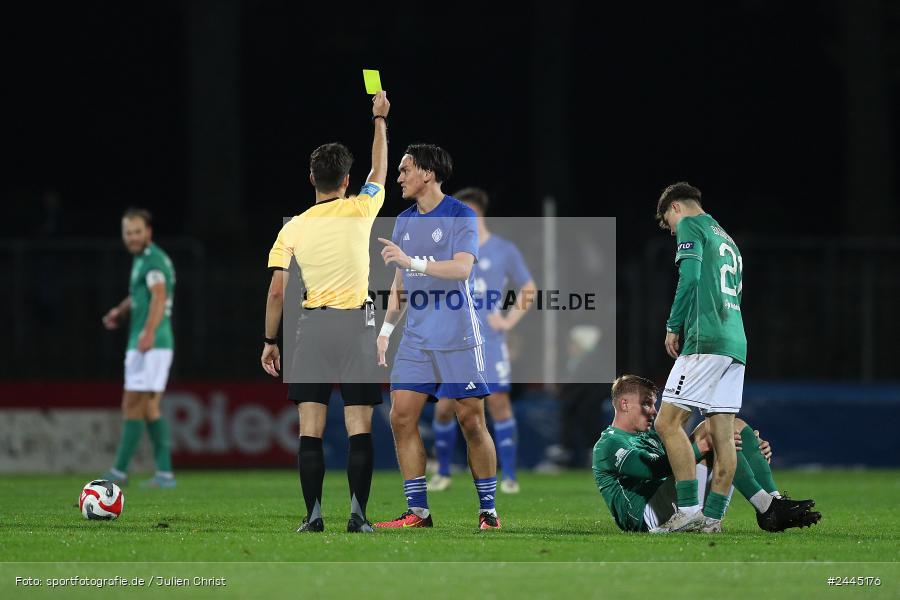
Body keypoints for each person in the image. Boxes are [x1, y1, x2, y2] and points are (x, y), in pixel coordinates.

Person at [261, 91, 390, 533]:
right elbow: (380, 171)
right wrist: (379, 120)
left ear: (311, 178)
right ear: (347, 180)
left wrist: (270, 341)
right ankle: (358, 516)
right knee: (359, 428)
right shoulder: (360, 208)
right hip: (356, 326)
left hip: (312, 327)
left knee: (310, 429)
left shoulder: (293, 227)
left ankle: (313, 517)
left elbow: (277, 291)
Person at [374, 144, 501, 530]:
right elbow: (399, 284)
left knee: (471, 421)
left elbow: (462, 270)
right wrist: (386, 331)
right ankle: (418, 512)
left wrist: (411, 261)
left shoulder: (460, 215)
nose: (399, 178)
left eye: (405, 170)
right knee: (400, 417)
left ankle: (489, 511)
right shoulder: (404, 221)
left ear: (427, 173)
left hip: (457, 334)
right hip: (416, 339)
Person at [593, 375, 821, 533]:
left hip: (678, 504)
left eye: (654, 404)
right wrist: (703, 447)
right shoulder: (609, 443)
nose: (653, 411)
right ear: (624, 404)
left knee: (734, 426)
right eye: (646, 404)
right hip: (645, 517)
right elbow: (654, 470)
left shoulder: (651, 436)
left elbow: (681, 460)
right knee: (711, 429)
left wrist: (752, 450)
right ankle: (764, 508)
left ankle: (774, 501)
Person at [652, 182, 747, 533]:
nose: (672, 232)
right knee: (722, 433)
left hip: (705, 339)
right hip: (735, 341)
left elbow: (689, 277)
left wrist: (673, 324)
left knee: (667, 423)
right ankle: (713, 519)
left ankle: (689, 510)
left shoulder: (691, 225)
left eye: (669, 223)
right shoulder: (727, 239)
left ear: (676, 208)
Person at [429, 187, 536, 494]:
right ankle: (443, 472)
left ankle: (510, 476)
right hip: (456, 342)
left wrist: (508, 320)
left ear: (476, 214)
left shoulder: (503, 249)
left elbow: (528, 288)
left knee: (499, 403)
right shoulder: (451, 251)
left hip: (490, 341)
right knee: (444, 407)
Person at [101, 208, 177, 489]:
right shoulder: (144, 259)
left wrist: (148, 332)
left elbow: (159, 295)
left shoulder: (153, 260)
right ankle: (165, 474)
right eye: (128, 232)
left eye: (137, 232)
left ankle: (119, 471)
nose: (132, 237)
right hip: (153, 342)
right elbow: (140, 294)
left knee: (132, 404)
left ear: (148, 232)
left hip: (150, 344)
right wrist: (120, 311)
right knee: (149, 408)